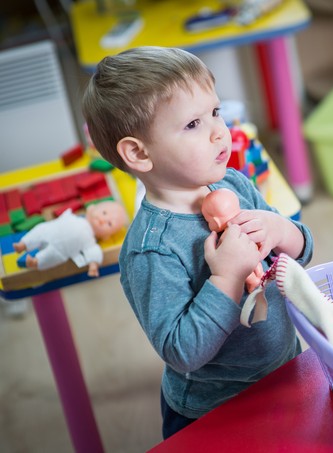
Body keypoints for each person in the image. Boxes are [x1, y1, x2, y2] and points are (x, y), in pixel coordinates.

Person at [81, 46, 313, 439]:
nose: (219, 131)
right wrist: (226, 277)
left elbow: (299, 258)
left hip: (284, 367)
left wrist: (282, 231)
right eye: (193, 124)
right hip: (215, 408)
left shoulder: (234, 183)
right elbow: (181, 351)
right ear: (138, 153)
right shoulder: (151, 249)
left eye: (216, 113)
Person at [13, 201, 128, 277]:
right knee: (39, 230)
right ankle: (23, 244)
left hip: (60, 250)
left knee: (51, 257)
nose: (103, 219)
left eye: (109, 224)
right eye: (104, 212)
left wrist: (93, 265)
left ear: (106, 236)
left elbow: (94, 253)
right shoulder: (75, 217)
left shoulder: (90, 242)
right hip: (50, 230)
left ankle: (35, 262)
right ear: (92, 209)